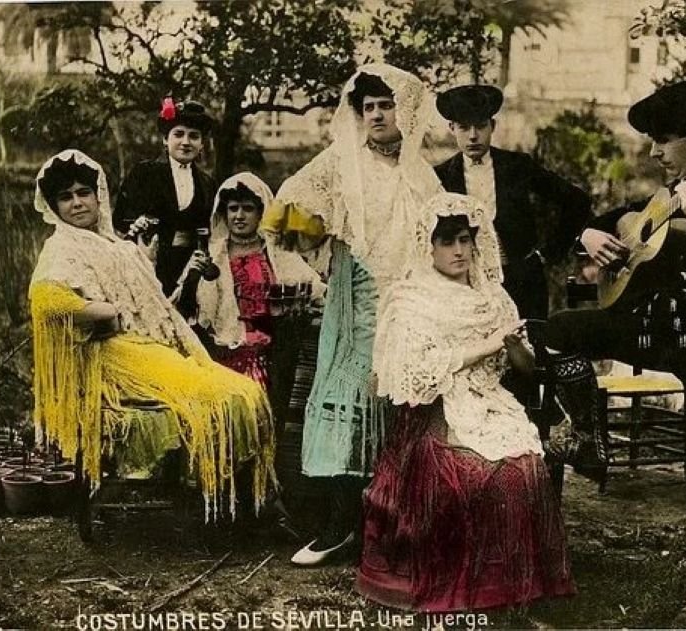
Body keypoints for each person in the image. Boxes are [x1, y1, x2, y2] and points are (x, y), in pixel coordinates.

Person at [545, 78, 686, 625]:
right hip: (655, 332)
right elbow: (612, 223)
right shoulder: (657, 199)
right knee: (558, 329)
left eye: (662, 140)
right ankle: (590, 437)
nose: (652, 152)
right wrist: (588, 235)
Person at [356, 192, 575, 611]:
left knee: (523, 465)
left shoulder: (493, 297)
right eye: (447, 241)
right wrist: (485, 345)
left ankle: (510, 587)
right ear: (429, 246)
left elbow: (526, 370)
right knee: (472, 472)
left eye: (464, 240)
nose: (459, 251)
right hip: (432, 407)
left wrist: (512, 347)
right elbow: (417, 372)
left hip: (488, 398)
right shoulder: (409, 298)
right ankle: (474, 582)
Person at [29, 150, 276, 520]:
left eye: (84, 193)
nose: (77, 203)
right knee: (221, 395)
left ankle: (232, 498)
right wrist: (104, 312)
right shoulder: (62, 246)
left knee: (241, 392)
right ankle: (220, 497)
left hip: (140, 347)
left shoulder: (114, 244)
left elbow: (141, 296)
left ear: (99, 196)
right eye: (66, 197)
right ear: (54, 206)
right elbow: (47, 300)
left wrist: (142, 259)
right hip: (108, 357)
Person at [261, 63, 443, 566]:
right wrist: (331, 248)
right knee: (349, 402)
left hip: (408, 305)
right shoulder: (341, 161)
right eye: (369, 108)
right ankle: (339, 525)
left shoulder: (421, 175)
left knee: (400, 405)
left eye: (386, 105)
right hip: (357, 299)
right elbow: (290, 204)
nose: (378, 115)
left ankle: (389, 526)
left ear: (404, 111)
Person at [434, 84, 592, 320]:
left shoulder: (517, 165)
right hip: (464, 286)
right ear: (452, 128)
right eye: (464, 128)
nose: (473, 135)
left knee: (528, 349)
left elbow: (576, 201)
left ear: (493, 126)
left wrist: (547, 254)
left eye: (480, 126)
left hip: (523, 283)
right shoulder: (441, 176)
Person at [173, 172, 324, 387]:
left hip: (273, 358)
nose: (239, 216)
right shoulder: (212, 256)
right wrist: (194, 278)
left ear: (261, 213)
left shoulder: (278, 255)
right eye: (233, 208)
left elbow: (315, 290)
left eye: (248, 209)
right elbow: (188, 311)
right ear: (224, 213)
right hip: (224, 356)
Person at [113, 98, 217, 297]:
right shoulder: (144, 173)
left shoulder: (207, 183)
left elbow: (209, 229)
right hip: (149, 264)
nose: (186, 142)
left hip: (189, 269)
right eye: (178, 134)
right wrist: (138, 226)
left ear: (202, 144)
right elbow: (120, 220)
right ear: (165, 139)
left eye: (194, 136)